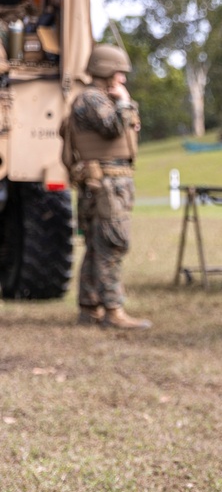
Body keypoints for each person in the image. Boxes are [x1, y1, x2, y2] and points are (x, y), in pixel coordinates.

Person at [64, 44, 151, 330]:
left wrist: (124, 105)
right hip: (106, 186)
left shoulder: (96, 98)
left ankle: (89, 307)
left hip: (105, 184)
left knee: (98, 246)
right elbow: (112, 128)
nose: (122, 80)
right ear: (105, 71)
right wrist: (124, 103)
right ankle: (113, 310)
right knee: (112, 244)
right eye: (119, 73)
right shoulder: (91, 99)